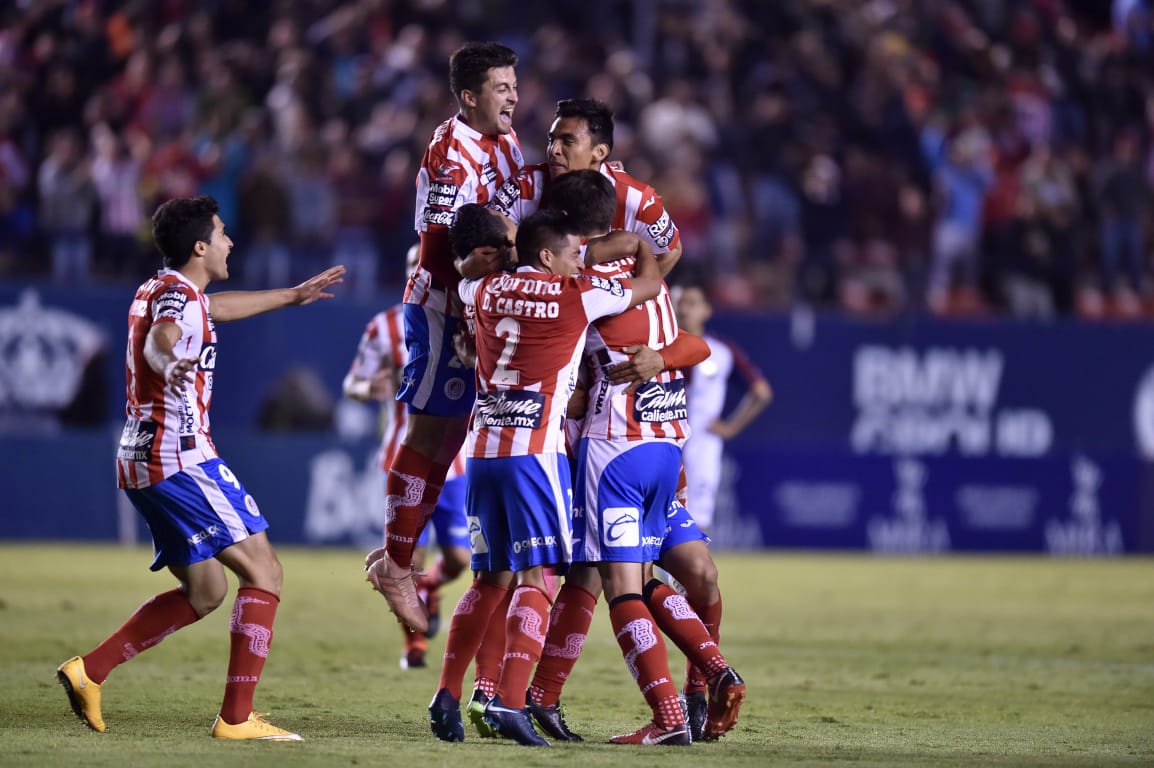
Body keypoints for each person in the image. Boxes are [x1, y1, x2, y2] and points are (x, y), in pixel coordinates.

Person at [57, 196, 345, 741]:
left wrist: (290, 295)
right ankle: (236, 719)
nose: (230, 240)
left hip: (140, 457)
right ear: (200, 246)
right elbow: (161, 340)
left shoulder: (162, 287)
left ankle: (88, 671)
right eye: (222, 233)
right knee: (265, 571)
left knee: (207, 590)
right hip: (180, 456)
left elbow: (211, 310)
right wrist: (168, 363)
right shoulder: (174, 301)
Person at [430, 206, 662, 747]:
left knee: (489, 579)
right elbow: (649, 285)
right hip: (536, 456)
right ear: (547, 255)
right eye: (573, 253)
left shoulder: (482, 291)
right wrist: (639, 245)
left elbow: (463, 274)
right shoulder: (579, 294)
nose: (580, 261)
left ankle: (445, 692)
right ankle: (512, 703)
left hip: (483, 454)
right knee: (538, 579)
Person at [549, 171, 746, 745]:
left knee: (621, 585)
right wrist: (639, 248)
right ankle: (703, 684)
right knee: (670, 574)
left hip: (613, 450)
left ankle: (678, 708)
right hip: (665, 452)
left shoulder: (576, 283)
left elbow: (694, 347)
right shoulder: (648, 277)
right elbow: (697, 342)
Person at [364, 41, 523, 633]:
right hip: (441, 306)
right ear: (469, 96)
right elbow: (435, 245)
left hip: (476, 303)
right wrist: (461, 315)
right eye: (501, 87)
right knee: (429, 430)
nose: (513, 95)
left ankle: (398, 558)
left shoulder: (507, 141)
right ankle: (399, 564)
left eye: (513, 83)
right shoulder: (451, 151)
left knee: (451, 431)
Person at [343, 244, 470, 669]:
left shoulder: (464, 317)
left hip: (455, 463)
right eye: (412, 264)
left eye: (425, 262)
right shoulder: (384, 327)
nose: (420, 269)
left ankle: (430, 589)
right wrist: (369, 388)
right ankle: (413, 645)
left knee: (458, 559)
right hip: (403, 451)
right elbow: (353, 383)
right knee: (406, 557)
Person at [673, 283, 773, 531]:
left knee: (697, 519)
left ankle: (687, 570)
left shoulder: (720, 351)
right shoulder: (661, 345)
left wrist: (731, 427)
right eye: (681, 303)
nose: (685, 310)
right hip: (663, 439)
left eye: (693, 303)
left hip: (703, 445)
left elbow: (761, 392)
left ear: (707, 310)